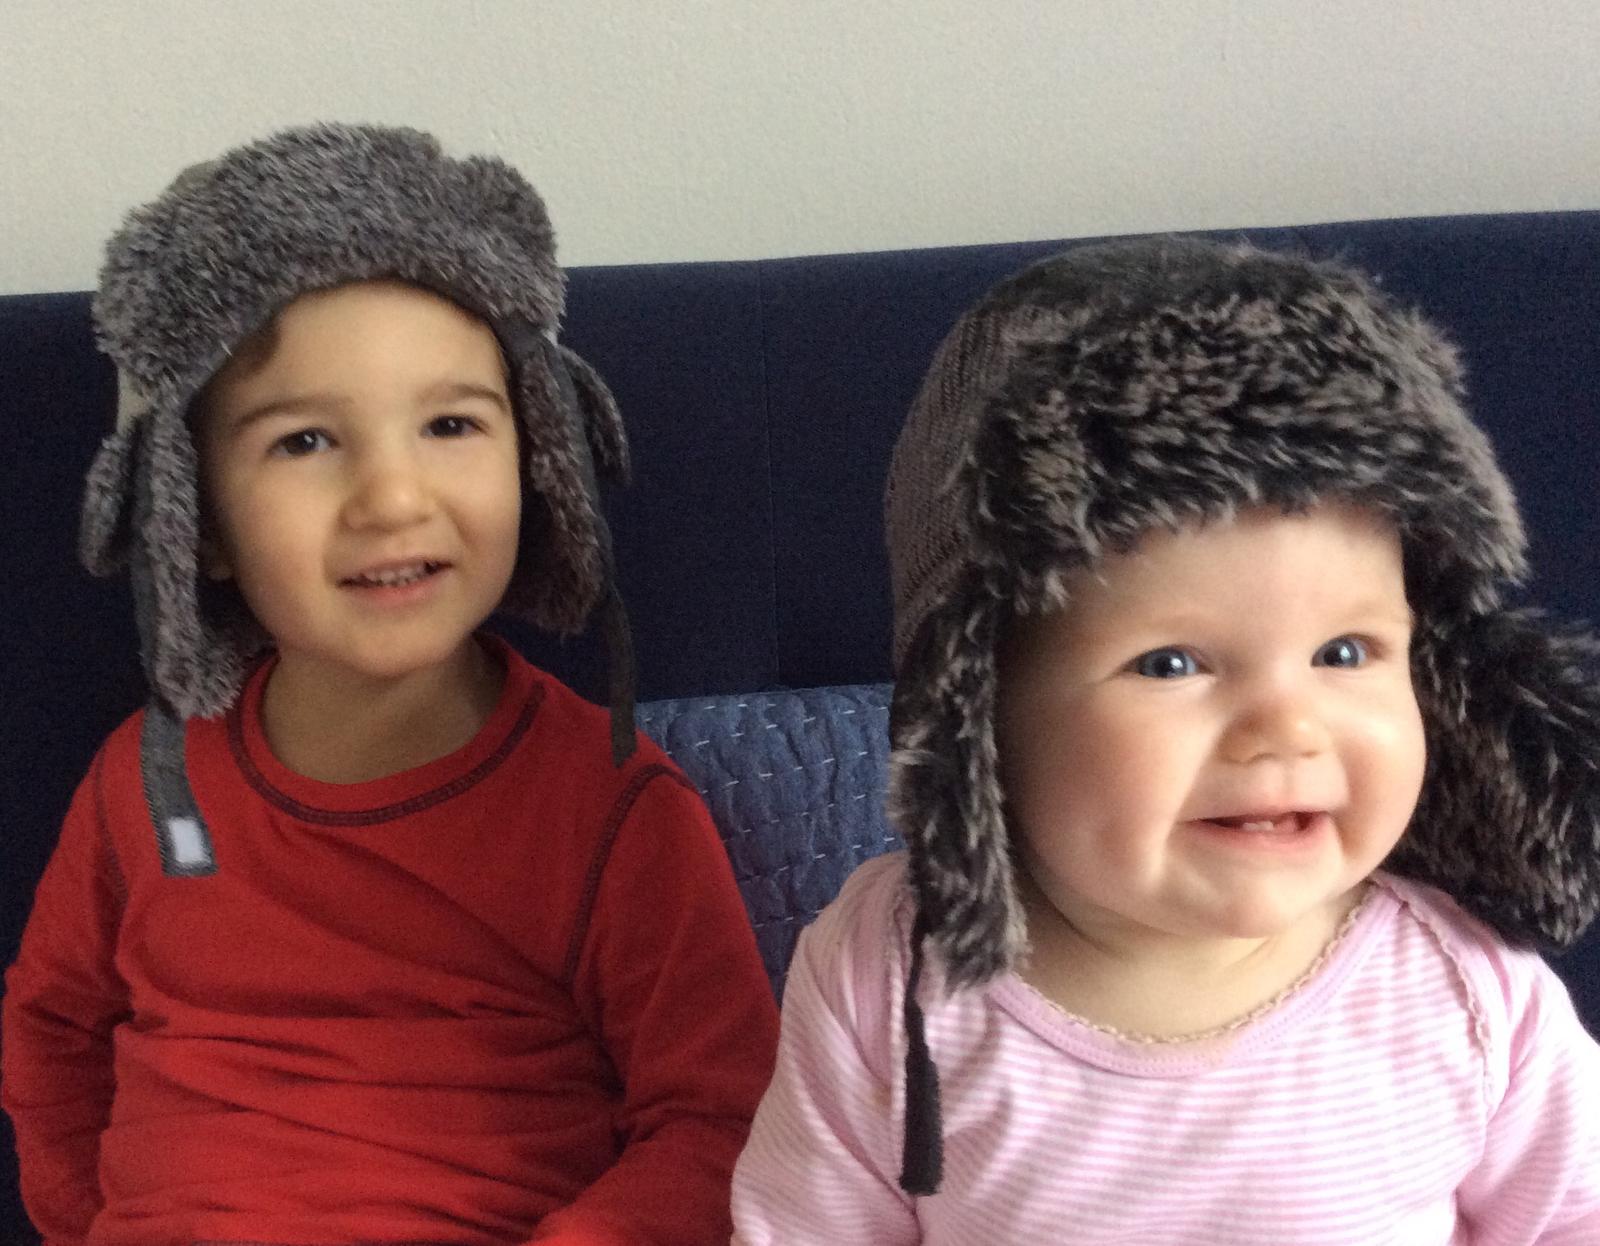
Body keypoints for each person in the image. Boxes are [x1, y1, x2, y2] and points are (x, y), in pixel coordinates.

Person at [730, 236, 1600, 1243]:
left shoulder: (1465, 989)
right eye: (1171, 663)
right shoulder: (887, 975)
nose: (1286, 725)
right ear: (978, 715)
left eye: (1345, 650)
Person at [2, 122, 779, 1246]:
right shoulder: (144, 780)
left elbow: (719, 1119)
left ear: (540, 464)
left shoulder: (614, 807)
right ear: (192, 518)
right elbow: (54, 1031)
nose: (391, 498)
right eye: (305, 442)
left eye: (451, 424)